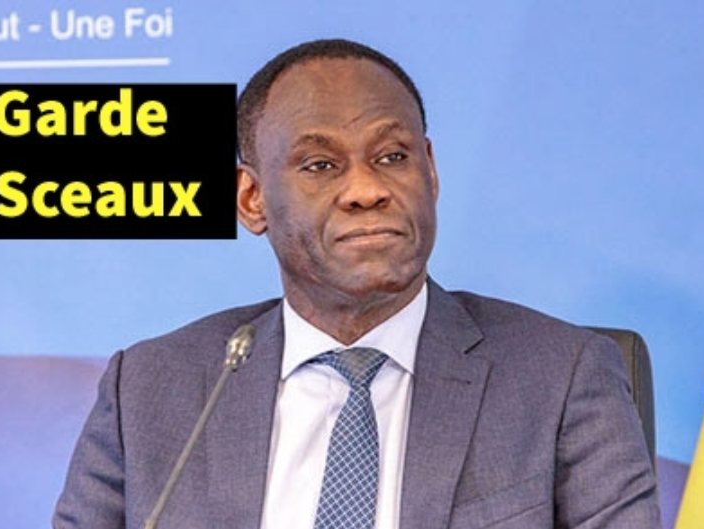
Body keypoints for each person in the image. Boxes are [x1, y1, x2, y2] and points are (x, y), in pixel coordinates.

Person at [53, 38, 661, 529]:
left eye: (393, 157)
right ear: (252, 199)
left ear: (431, 172)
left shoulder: (560, 376)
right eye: (320, 165)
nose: (368, 190)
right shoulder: (152, 390)